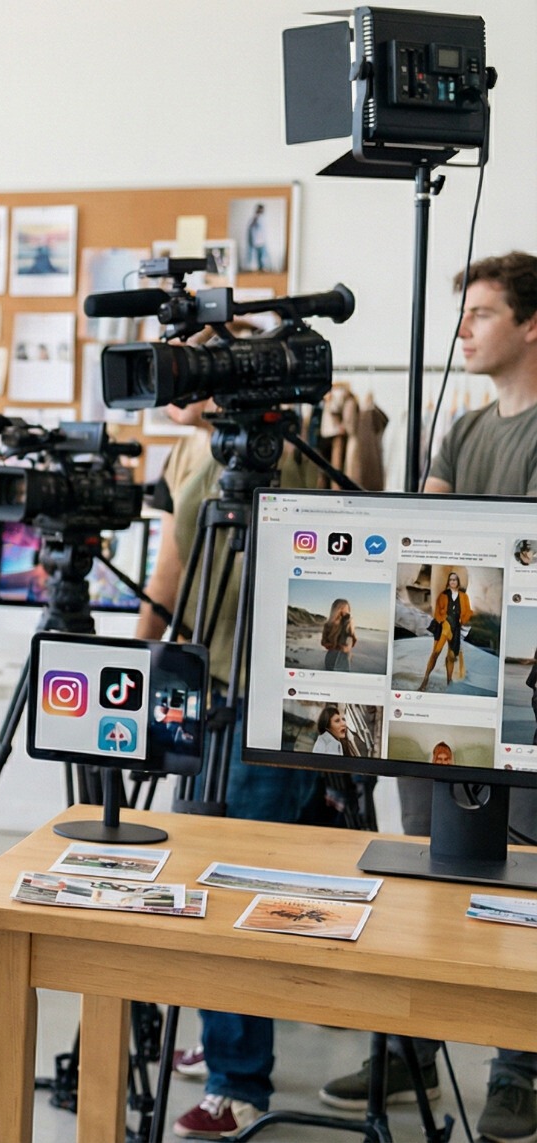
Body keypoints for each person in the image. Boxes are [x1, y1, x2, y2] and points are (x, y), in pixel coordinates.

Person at [321, 252, 537, 1141]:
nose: (465, 330)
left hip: (519, 689)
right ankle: (405, 1048)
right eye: (464, 315)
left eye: (482, 314)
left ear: (531, 324)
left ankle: (518, 1062)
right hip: (440, 695)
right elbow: (422, 524)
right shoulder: (464, 428)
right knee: (418, 855)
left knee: (516, 874)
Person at [134, 394, 330, 1140]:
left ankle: (238, 1079)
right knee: (202, 878)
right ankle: (227, 1051)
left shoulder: (294, 471)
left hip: (274, 701)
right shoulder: (205, 469)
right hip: (210, 687)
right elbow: (174, 575)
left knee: (241, 884)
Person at [421, 571, 468, 690]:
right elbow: (437, 612)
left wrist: (464, 620)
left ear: (458, 582)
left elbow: (467, 611)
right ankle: (425, 680)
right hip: (443, 625)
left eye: (455, 579)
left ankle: (449, 683)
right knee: (435, 653)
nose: (453, 581)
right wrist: (444, 621)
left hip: (456, 627)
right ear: (448, 582)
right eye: (451, 579)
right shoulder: (443, 595)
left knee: (451, 656)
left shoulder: (463, 596)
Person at [321, 599, 356, 672]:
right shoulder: (346, 623)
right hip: (339, 657)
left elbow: (324, 643)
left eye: (348, 609)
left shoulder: (328, 624)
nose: (348, 611)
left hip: (333, 656)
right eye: (346, 609)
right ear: (339, 609)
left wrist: (334, 645)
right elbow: (352, 641)